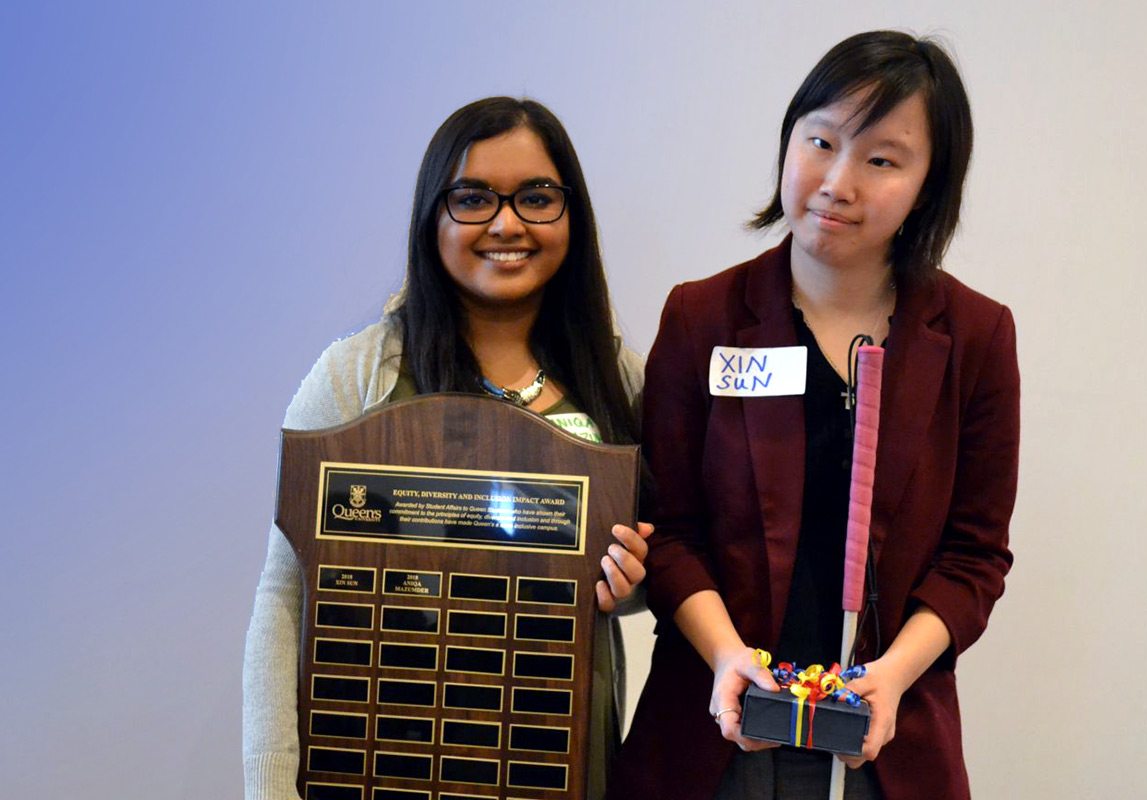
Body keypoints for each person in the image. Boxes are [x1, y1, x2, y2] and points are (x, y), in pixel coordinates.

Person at [609, 31, 1019, 800]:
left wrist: (893, 675)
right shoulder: (702, 317)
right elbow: (667, 529)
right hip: (711, 732)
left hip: (886, 743)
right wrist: (727, 655)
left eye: (882, 160)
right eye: (821, 142)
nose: (837, 183)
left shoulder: (975, 337)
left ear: (930, 184)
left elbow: (974, 557)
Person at [243, 97, 653, 800]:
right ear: (432, 216)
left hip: (557, 757)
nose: (506, 224)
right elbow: (285, 593)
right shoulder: (356, 374)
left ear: (572, 216)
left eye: (536, 197)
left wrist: (633, 581)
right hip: (383, 750)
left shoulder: (617, 378)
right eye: (473, 198)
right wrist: (272, 786)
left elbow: (654, 569)